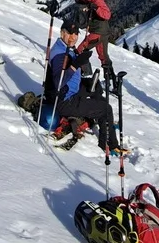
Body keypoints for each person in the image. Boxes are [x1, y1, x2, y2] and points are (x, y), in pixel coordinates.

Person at [44, 19, 127, 156]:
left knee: (95, 86)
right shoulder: (60, 54)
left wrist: (78, 60)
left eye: (76, 34)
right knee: (106, 109)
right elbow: (60, 81)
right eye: (69, 33)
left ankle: (103, 121)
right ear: (62, 33)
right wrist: (75, 64)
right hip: (65, 100)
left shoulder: (64, 47)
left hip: (70, 91)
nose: (73, 37)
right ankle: (109, 144)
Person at [73, 0, 114, 82]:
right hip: (102, 31)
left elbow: (107, 15)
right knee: (103, 56)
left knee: (80, 50)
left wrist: (96, 7)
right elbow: (82, 2)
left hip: (98, 31)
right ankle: (111, 81)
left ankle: (86, 73)